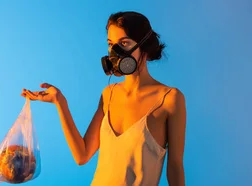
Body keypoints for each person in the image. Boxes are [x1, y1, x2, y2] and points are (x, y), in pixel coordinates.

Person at [21, 11, 186, 186]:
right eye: (111, 44)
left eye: (123, 43)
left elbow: (175, 166)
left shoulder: (169, 99)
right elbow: (82, 155)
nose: (115, 52)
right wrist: (60, 102)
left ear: (144, 46)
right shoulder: (109, 94)